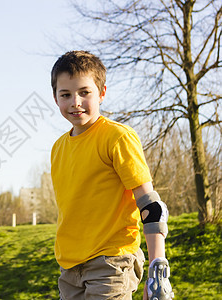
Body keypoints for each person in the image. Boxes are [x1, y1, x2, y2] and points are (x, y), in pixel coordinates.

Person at [50, 51, 173, 300]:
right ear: (55, 98)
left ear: (102, 93)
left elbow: (151, 206)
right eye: (66, 94)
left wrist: (157, 272)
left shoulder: (117, 137)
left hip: (111, 263)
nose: (75, 101)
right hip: (70, 268)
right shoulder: (58, 148)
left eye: (85, 92)